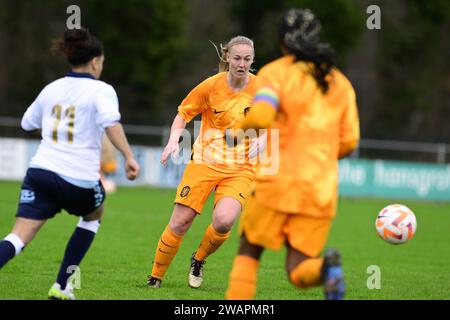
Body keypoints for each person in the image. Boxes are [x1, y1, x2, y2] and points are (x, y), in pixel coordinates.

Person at [225, 8, 360, 300]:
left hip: (278, 183)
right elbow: (349, 142)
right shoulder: (341, 83)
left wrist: (236, 134)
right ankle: (325, 269)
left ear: (282, 42)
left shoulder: (276, 73)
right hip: (320, 190)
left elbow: (261, 116)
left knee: (249, 251)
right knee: (298, 270)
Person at [0, 28, 140, 300]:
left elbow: (27, 123)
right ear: (96, 62)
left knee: (17, 238)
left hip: (39, 173)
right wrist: (129, 157)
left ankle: (61, 285)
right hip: (78, 180)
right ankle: (62, 286)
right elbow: (111, 122)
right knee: (93, 215)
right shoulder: (102, 90)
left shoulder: (52, 88)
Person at [147, 36, 259, 289]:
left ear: (252, 60)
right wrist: (174, 140)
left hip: (241, 167)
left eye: (247, 59)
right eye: (237, 58)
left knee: (223, 221)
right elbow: (183, 114)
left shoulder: (263, 90)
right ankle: (155, 277)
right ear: (228, 57)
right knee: (180, 222)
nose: (242, 64)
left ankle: (198, 259)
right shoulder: (211, 86)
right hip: (204, 161)